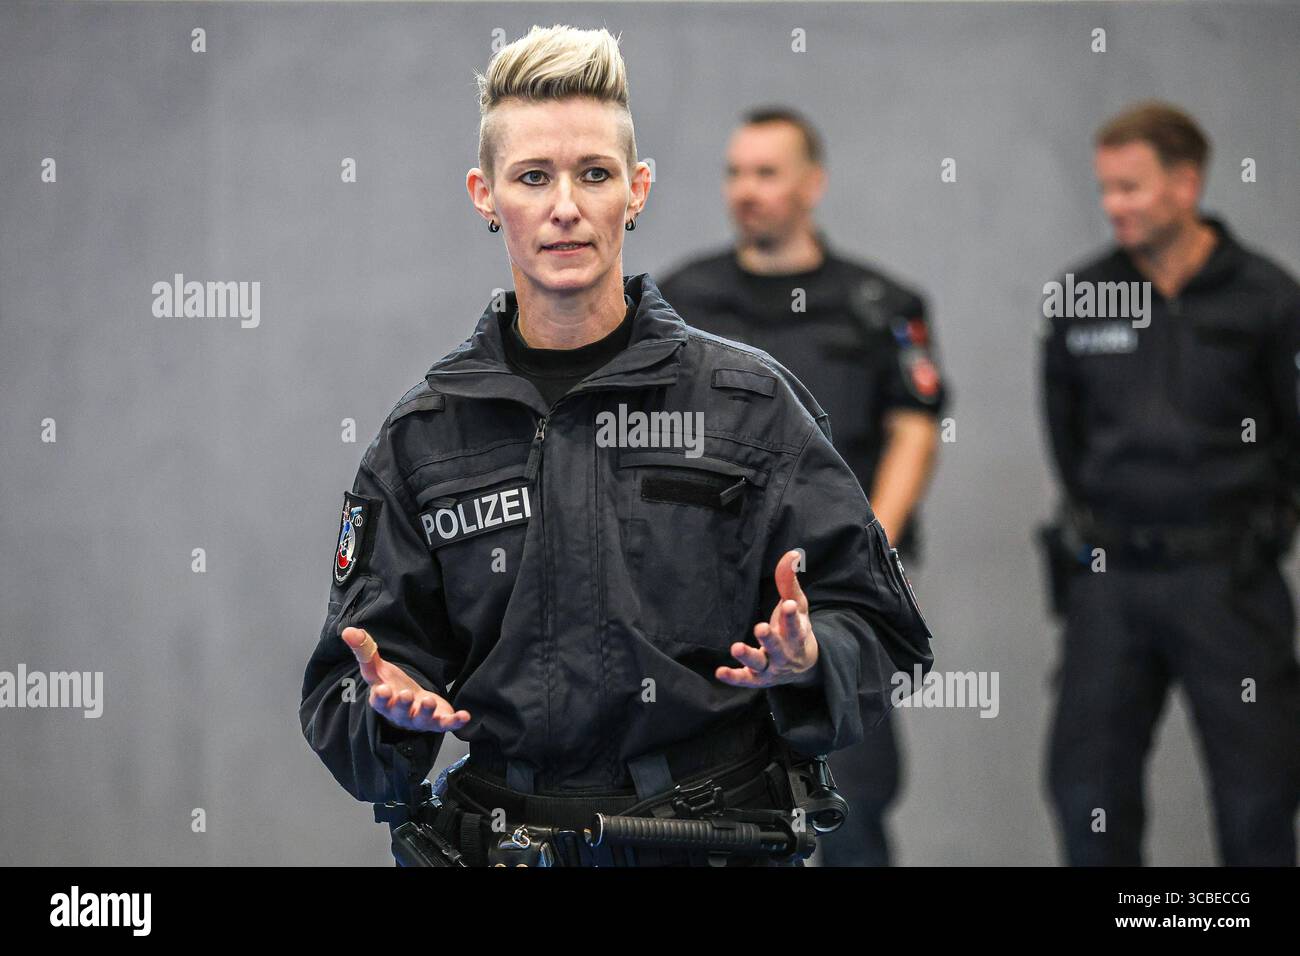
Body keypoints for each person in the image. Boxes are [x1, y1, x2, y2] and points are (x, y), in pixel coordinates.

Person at [299, 24, 935, 867]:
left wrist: (815, 655)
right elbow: (351, 687)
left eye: (593, 174)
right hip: (499, 844)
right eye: (532, 177)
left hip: (709, 842)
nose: (565, 205)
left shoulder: (748, 405)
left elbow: (885, 631)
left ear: (635, 191)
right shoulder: (423, 437)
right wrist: (387, 713)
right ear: (485, 196)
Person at [657, 107, 946, 866]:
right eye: (735, 172)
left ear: (812, 184)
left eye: (767, 172)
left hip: (839, 603)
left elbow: (915, 426)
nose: (746, 189)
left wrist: (866, 548)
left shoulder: (879, 306)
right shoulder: (682, 300)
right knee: (705, 811)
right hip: (711, 603)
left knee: (852, 809)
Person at [1040, 101, 1300, 866]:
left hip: (1228, 580)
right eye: (1105, 190)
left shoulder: (1267, 298)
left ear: (1186, 185)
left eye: (1131, 188)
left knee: (1260, 798)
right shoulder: (1082, 296)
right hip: (1111, 578)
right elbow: (1068, 437)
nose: (1113, 205)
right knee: (1087, 793)